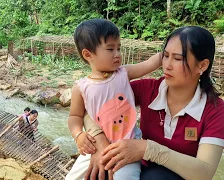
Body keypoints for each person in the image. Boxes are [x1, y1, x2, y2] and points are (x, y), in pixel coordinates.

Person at [82, 26, 224, 180]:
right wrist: (100, 141)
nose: (167, 65)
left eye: (177, 59)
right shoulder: (148, 90)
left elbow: (205, 172)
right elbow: (91, 107)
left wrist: (149, 149)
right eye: (166, 56)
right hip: (139, 169)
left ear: (202, 65)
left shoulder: (215, 110)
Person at [66, 18, 161, 180]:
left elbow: (149, 64)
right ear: (88, 54)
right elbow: (75, 116)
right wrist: (78, 135)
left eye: (119, 48)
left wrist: (166, 54)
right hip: (95, 146)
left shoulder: (124, 74)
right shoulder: (81, 88)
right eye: (110, 49)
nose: (117, 54)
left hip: (127, 144)